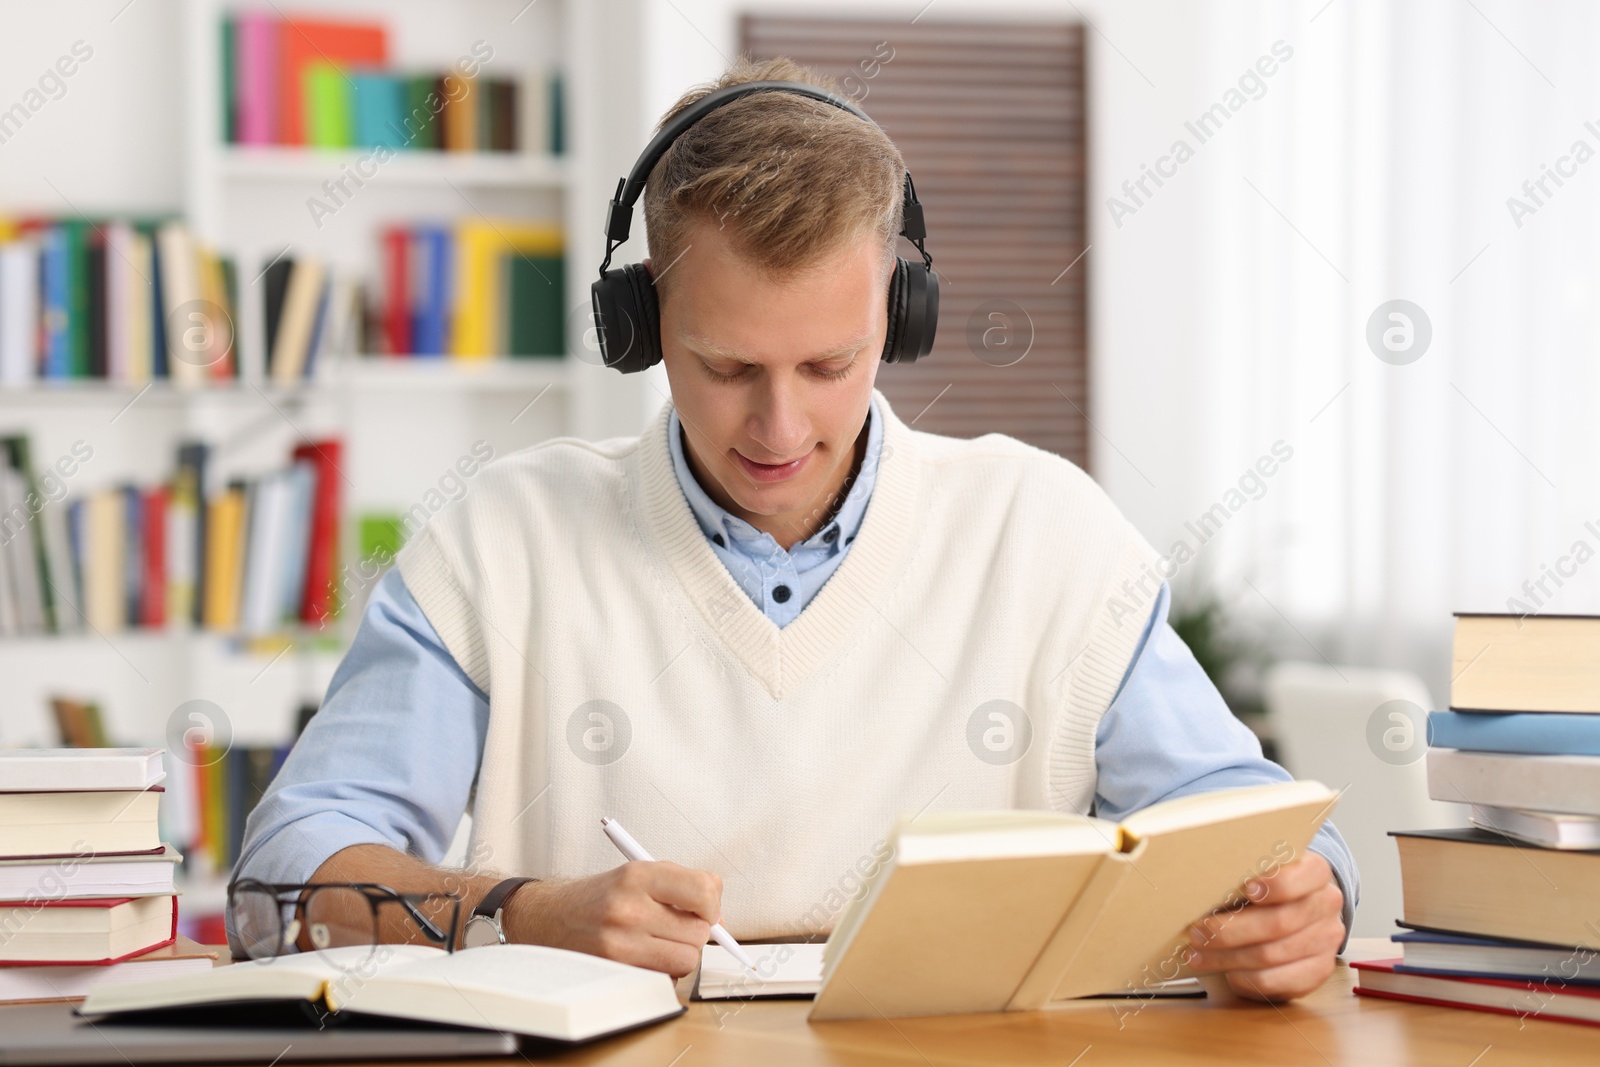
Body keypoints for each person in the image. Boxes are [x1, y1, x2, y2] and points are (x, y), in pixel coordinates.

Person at [233, 56, 1357, 1003]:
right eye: (726, 367)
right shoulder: (504, 541)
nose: (780, 426)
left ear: (897, 317)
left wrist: (1305, 901)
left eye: (830, 365)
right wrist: (527, 915)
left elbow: (1256, 830)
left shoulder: (1046, 532)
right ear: (640, 324)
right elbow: (278, 884)